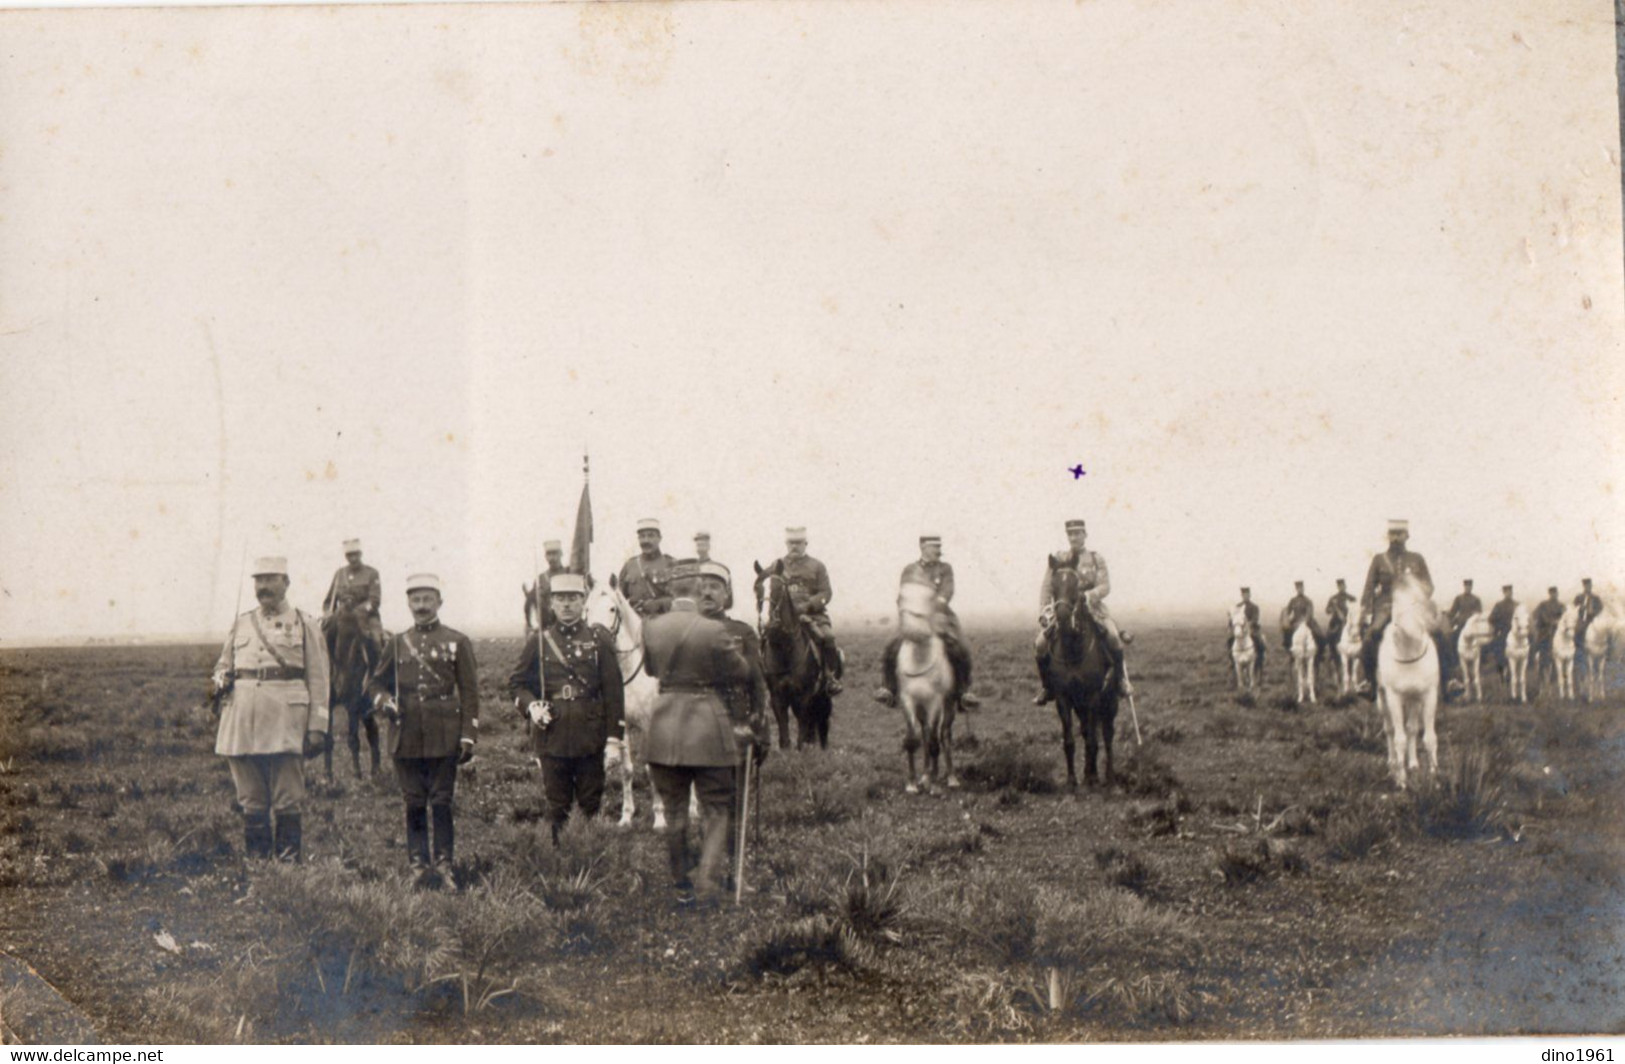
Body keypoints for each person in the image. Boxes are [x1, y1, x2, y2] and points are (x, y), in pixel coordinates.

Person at [642, 562, 753, 905]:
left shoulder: (651, 628)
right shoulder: (713, 630)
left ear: (673, 591)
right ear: (697, 589)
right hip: (707, 726)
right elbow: (742, 672)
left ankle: (681, 884)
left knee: (674, 810)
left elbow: (649, 668)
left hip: (662, 727)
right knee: (717, 808)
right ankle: (707, 880)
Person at [209, 555, 330, 862]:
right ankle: (260, 873)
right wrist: (220, 679)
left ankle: (288, 875)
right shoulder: (241, 622)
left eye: (270, 579)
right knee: (251, 800)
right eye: (258, 580)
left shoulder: (305, 623)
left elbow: (319, 678)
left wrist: (318, 725)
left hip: (285, 721)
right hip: (242, 721)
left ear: (285, 583)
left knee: (288, 799)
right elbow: (223, 665)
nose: (263, 587)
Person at [369, 573, 480, 886]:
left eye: (427, 599)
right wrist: (384, 699)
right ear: (408, 603)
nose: (421, 606)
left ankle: (444, 867)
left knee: (442, 801)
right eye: (415, 600)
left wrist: (468, 735)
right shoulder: (396, 643)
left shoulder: (457, 641)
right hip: (405, 733)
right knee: (414, 801)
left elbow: (470, 692)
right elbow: (375, 682)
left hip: (444, 733)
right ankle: (418, 868)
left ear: (439, 602)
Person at [506, 573, 625, 843]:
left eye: (573, 598)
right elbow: (516, 684)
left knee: (590, 804)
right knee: (557, 806)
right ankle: (562, 864)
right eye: (561, 599)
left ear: (583, 601)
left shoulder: (599, 640)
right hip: (552, 734)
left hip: (590, 736)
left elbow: (613, 691)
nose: (567, 605)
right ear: (551, 604)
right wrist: (531, 706)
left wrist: (614, 739)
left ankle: (590, 863)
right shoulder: (539, 641)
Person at [691, 561, 771, 890]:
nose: (707, 591)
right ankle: (706, 871)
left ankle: (737, 873)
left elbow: (757, 682)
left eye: (715, 586)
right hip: (696, 731)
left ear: (727, 594)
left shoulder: (743, 632)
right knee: (706, 802)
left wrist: (760, 725)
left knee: (736, 803)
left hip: (736, 730)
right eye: (702, 585)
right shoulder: (686, 631)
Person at [1034, 518, 1133, 703]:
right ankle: (1047, 687)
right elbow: (1047, 587)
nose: (1074, 538)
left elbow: (1105, 586)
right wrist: (1044, 612)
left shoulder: (1096, 558)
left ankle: (1121, 680)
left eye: (1077, 534)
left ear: (1084, 535)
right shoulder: (1058, 559)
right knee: (1040, 644)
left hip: (1092, 608)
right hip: (1064, 610)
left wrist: (1089, 596)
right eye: (1070, 534)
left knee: (1112, 635)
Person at [875, 536, 978, 708]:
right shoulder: (910, 570)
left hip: (939, 616)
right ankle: (889, 688)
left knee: (960, 647)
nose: (938, 550)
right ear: (923, 547)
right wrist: (905, 609)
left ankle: (963, 691)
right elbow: (903, 593)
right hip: (913, 616)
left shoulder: (945, 568)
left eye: (939, 546)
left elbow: (947, 591)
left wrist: (935, 606)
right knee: (891, 646)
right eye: (933, 547)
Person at [1357, 519, 1455, 697]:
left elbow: (1429, 587)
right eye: (1392, 534)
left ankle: (1449, 681)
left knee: (1441, 633)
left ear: (1406, 536)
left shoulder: (1417, 558)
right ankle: (1369, 682)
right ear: (1388, 536)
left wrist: (1415, 588)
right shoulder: (1379, 560)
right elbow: (1368, 588)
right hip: (1386, 606)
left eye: (1399, 534)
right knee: (1371, 635)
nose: (1395, 538)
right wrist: (1365, 611)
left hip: (1413, 605)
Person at [772, 527, 843, 694]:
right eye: (791, 543)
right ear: (786, 544)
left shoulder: (817, 566)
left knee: (827, 637)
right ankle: (767, 679)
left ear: (806, 544)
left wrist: (809, 605)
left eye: (798, 543)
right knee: (767, 639)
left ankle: (830, 677)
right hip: (785, 618)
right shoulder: (778, 566)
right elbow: (773, 593)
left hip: (814, 616)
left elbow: (826, 592)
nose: (794, 546)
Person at [322, 538, 384, 645]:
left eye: (356, 554)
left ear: (360, 554)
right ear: (346, 556)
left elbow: (375, 600)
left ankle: (380, 662)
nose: (353, 558)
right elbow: (329, 601)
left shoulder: (371, 573)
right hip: (341, 616)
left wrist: (359, 611)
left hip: (366, 617)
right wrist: (328, 612)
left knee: (376, 640)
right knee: (322, 638)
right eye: (350, 555)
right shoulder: (339, 574)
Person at [618, 518, 678, 617]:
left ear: (659, 538)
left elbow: (679, 598)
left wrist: (659, 604)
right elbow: (619, 598)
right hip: (634, 623)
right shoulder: (630, 565)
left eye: (651, 536)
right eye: (642, 537)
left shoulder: (671, 564)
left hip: (663, 621)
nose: (646, 540)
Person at [523, 540, 570, 632]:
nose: (552, 558)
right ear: (545, 557)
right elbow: (530, 603)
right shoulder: (541, 579)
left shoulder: (569, 572)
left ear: (561, 554)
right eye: (549, 554)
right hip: (548, 628)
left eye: (555, 554)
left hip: (568, 625)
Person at [1531, 587, 1565, 693]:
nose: (1553, 595)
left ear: (1557, 594)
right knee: (1542, 653)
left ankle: (1555, 682)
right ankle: (1540, 680)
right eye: (1552, 593)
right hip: (1545, 632)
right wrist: (1545, 620)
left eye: (1555, 593)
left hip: (1558, 632)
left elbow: (1566, 617)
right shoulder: (1543, 605)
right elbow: (1534, 614)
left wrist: (1558, 621)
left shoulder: (1561, 605)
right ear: (1549, 594)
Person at [1227, 587, 1266, 678]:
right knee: (1230, 641)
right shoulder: (1237, 607)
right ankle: (1232, 660)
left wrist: (1248, 624)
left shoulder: (1254, 607)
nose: (1245, 596)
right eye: (1244, 595)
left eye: (1247, 595)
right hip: (1239, 629)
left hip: (1252, 629)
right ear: (1242, 595)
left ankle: (1259, 658)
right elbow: (1233, 618)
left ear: (1250, 595)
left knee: (1258, 640)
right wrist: (1231, 625)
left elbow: (1255, 619)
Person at [1280, 580, 1325, 652]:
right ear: (1296, 589)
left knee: (1319, 634)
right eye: (1298, 588)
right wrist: (1285, 618)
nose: (1299, 590)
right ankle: (1289, 650)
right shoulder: (1293, 600)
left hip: (1308, 621)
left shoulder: (1308, 600)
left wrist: (1303, 621)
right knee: (1287, 632)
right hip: (1295, 621)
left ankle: (1320, 652)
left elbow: (1310, 613)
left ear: (1303, 588)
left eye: (1301, 588)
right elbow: (1288, 611)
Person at [1486, 584, 1518, 680]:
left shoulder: (1517, 605)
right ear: (1504, 593)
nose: (1509, 594)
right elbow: (1491, 619)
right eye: (1506, 592)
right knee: (1499, 650)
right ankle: (1501, 675)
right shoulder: (1499, 605)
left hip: (1515, 632)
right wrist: (1499, 627)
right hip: (1503, 631)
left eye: (1510, 591)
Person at [1573, 578, 1604, 675]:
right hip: (1582, 620)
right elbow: (1574, 608)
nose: (1588, 587)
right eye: (1586, 586)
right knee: (1577, 633)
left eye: (1590, 586)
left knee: (1603, 632)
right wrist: (1580, 609)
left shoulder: (1596, 598)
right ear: (1584, 586)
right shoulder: (1579, 597)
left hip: (1593, 620)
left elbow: (1600, 608)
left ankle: (1606, 653)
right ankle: (1578, 655)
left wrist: (1594, 612)